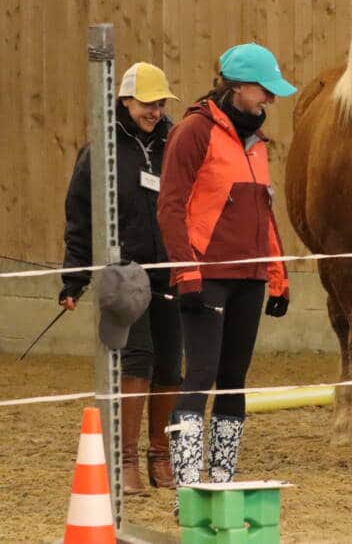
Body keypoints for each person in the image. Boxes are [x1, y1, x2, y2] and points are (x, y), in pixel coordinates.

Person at [157, 43, 295, 493]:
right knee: (200, 375)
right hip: (206, 277)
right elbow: (171, 207)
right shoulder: (195, 131)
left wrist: (277, 277)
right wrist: (186, 273)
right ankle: (186, 489)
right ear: (238, 87)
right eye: (264, 91)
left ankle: (221, 483)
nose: (270, 100)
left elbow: (264, 213)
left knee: (234, 380)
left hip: (250, 279)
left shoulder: (258, 144)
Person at [60, 61, 183, 494]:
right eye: (147, 103)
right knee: (138, 357)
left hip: (169, 269)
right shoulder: (102, 149)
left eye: (160, 103)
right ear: (126, 100)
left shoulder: (174, 142)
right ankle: (127, 460)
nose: (155, 110)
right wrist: (73, 279)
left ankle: (160, 456)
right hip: (126, 275)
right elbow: (80, 215)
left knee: (171, 362)